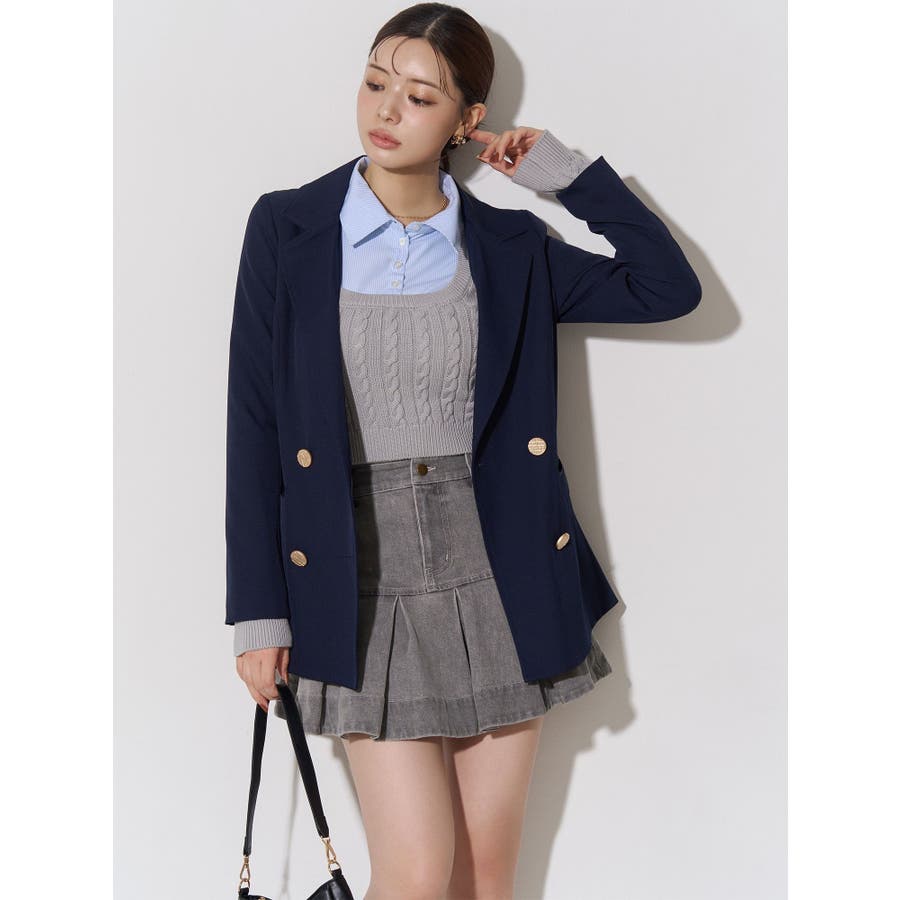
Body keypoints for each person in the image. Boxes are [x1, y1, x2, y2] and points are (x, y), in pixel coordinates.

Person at [227, 4, 701, 898]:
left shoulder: (511, 248)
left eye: (419, 96)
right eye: (376, 82)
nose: (386, 109)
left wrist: (563, 176)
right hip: (354, 572)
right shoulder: (288, 228)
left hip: (499, 568)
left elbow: (666, 288)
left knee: (484, 877)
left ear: (465, 121)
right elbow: (253, 423)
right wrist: (259, 613)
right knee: (413, 872)